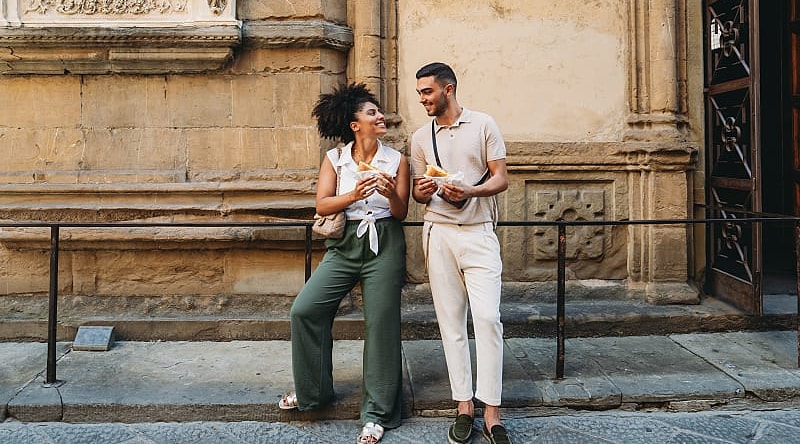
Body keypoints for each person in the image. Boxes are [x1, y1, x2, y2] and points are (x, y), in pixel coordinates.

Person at [279, 83, 410, 444]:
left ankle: (377, 413)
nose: (380, 116)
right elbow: (321, 205)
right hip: (344, 244)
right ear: (355, 124)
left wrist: (387, 193)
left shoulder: (397, 160)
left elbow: (401, 211)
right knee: (305, 310)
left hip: (384, 242)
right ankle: (313, 393)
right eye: (372, 113)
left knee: (381, 325)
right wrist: (353, 194)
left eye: (378, 112)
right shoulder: (335, 160)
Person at [410, 62, 511, 444]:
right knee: (451, 324)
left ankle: (493, 412)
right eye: (420, 92)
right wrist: (426, 191)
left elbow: (500, 177)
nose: (422, 99)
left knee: (487, 319)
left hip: (480, 232)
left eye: (427, 92)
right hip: (438, 232)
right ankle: (464, 406)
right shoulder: (421, 137)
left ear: (448, 89)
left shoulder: (484, 124)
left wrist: (470, 191)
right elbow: (420, 190)